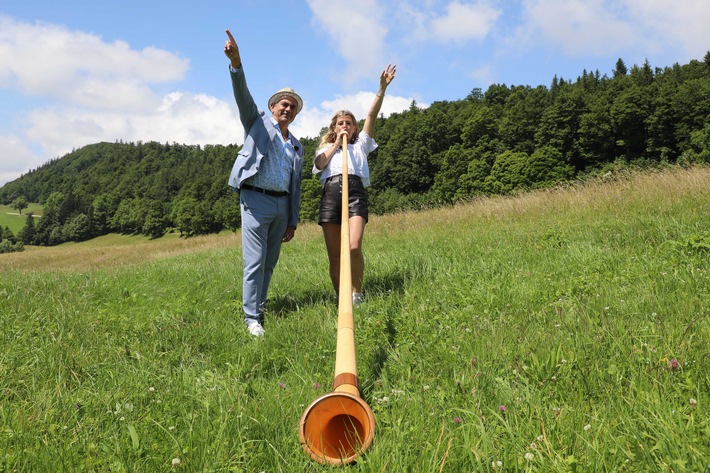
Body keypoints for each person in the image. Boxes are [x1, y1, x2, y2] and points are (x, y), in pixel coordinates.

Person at [224, 29, 304, 337]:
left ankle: (259, 306)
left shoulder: (296, 145)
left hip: (282, 206)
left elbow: (295, 186)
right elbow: (242, 95)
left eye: (292, 107)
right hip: (255, 200)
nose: (287, 108)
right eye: (283, 104)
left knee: (269, 264)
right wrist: (236, 64)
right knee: (254, 262)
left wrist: (293, 221)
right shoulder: (257, 122)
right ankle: (251, 319)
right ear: (272, 108)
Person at [313, 64, 396, 305]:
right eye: (340, 123)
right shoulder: (325, 149)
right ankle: (341, 298)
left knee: (353, 245)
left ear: (355, 127)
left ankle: (356, 293)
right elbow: (318, 165)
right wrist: (336, 145)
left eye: (349, 123)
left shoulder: (361, 146)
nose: (345, 126)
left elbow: (371, 115)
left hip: (355, 192)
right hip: (331, 193)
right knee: (335, 255)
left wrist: (381, 88)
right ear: (334, 127)